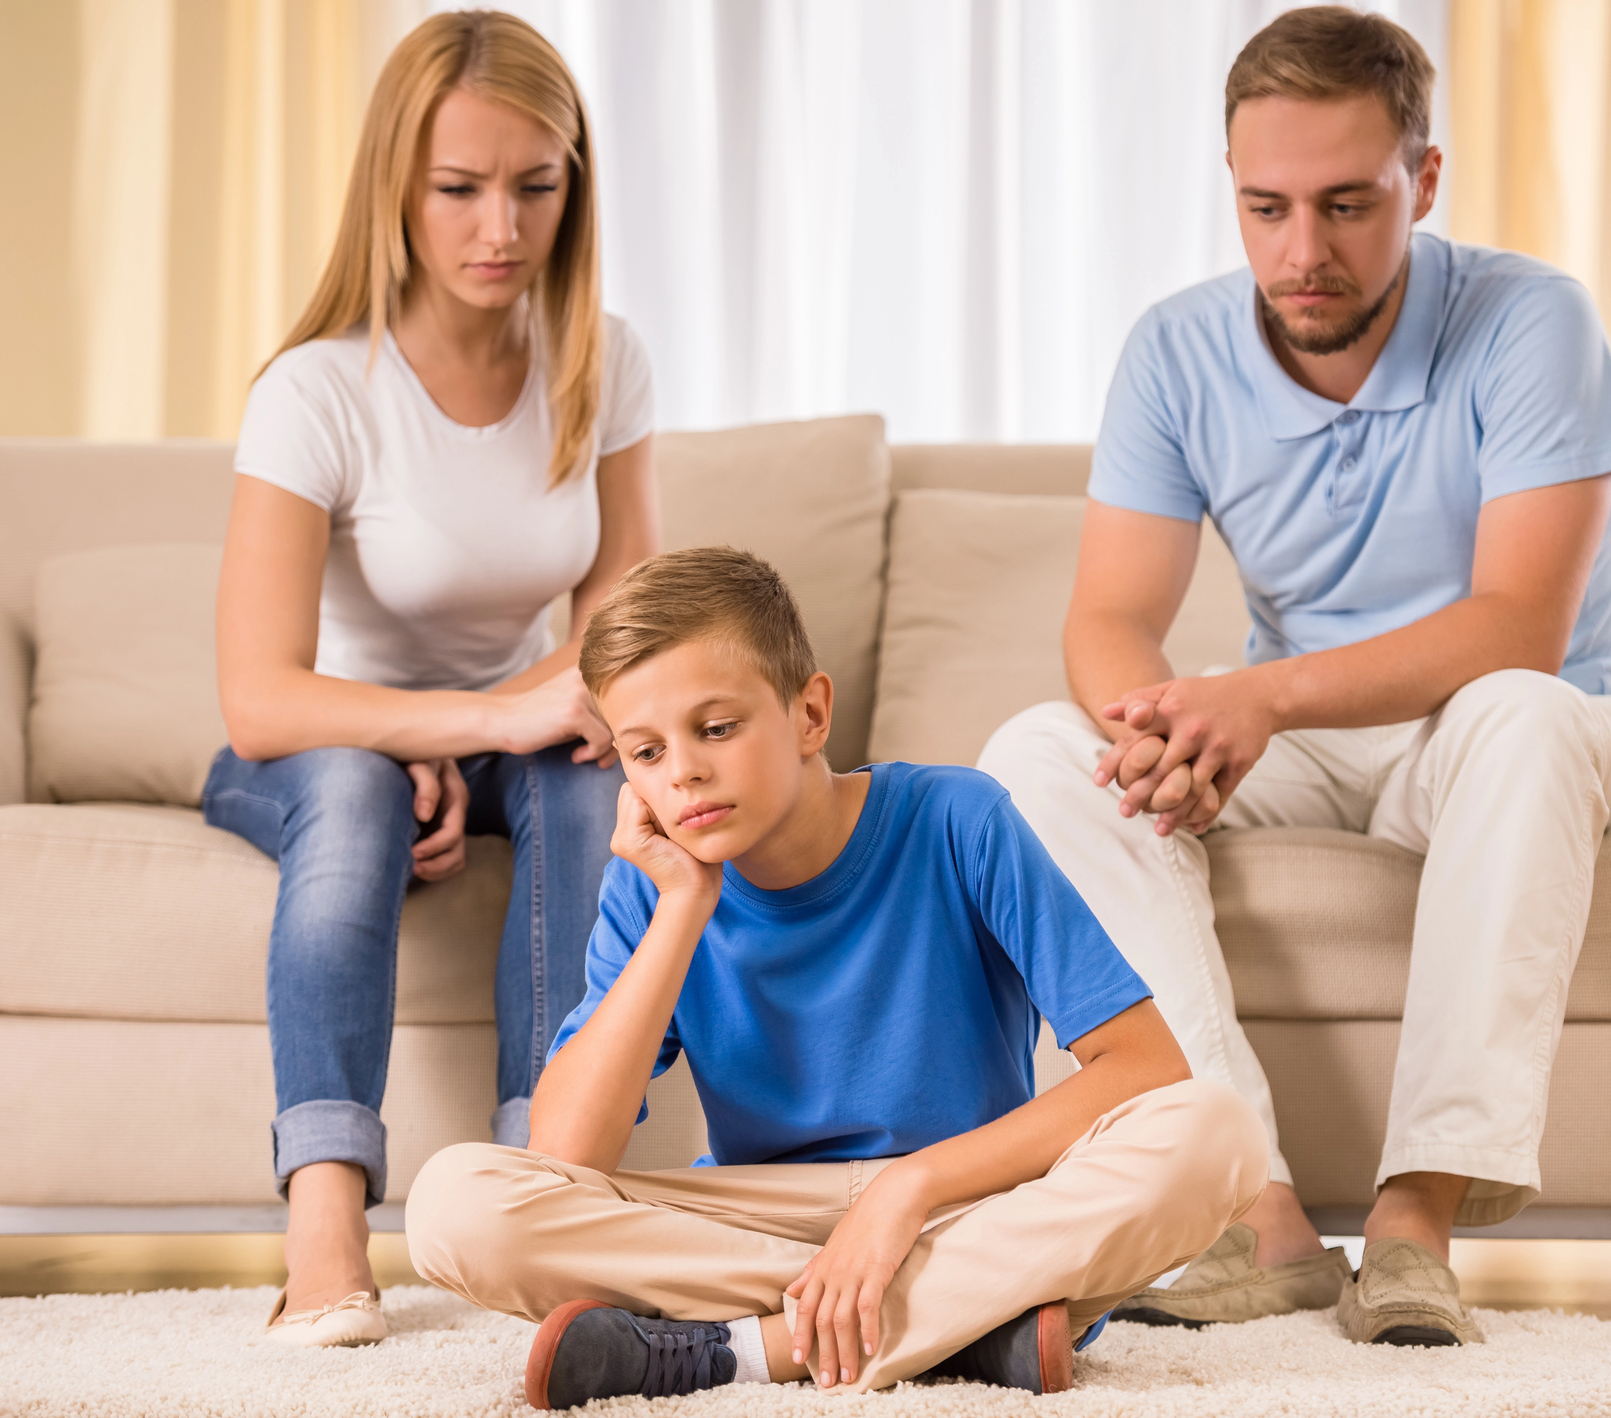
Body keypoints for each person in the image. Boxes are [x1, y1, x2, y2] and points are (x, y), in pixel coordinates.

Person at [979, 5, 1611, 1347]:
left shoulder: (1534, 322)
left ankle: (1414, 1223)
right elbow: (1112, 616)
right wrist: (1159, 726)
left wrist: (1262, 696)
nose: (1303, 251)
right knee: (1034, 751)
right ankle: (1260, 1218)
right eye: (1265, 207)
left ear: (1424, 179)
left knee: (1522, 711)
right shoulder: (1175, 353)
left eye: (1348, 205)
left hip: (1513, 722)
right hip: (1313, 734)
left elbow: (1520, 625)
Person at [405, 548, 1270, 1406]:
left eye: (714, 729)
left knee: (1216, 1133)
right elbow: (563, 1155)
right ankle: (967, 1320)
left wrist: (907, 1189)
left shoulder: (959, 818)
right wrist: (682, 910)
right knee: (454, 1206)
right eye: (645, 752)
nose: (684, 773)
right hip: (757, 1210)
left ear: (810, 713)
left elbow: (1148, 1068)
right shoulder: (651, 883)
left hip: (963, 1196)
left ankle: (748, 1350)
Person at [204, 11, 658, 1348]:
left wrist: (503, 730)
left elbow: (624, 625)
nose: (499, 227)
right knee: (352, 796)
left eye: (536, 183)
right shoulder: (317, 390)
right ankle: (328, 1224)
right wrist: (464, 726)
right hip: (318, 741)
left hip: (512, 736)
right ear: (395, 189)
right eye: (459, 188)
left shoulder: (601, 361)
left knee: (590, 787)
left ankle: (547, 1200)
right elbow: (261, 695)